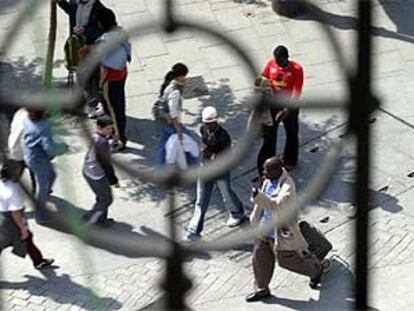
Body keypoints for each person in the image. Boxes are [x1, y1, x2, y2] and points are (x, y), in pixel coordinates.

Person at [245, 156, 321, 302]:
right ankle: (262, 289)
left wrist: (258, 196)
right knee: (259, 258)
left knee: (286, 261)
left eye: (267, 170)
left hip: (279, 232)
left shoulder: (288, 186)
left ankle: (315, 270)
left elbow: (276, 204)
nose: (263, 172)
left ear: (278, 170)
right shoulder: (268, 180)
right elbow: (261, 203)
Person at [183, 107, 246, 242]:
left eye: (210, 123)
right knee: (200, 201)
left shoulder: (224, 137)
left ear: (216, 121)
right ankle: (193, 232)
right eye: (206, 123)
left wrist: (209, 154)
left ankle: (237, 213)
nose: (208, 126)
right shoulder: (202, 129)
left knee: (227, 194)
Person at [257, 45, 304, 177]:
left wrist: (287, 110)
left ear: (287, 58)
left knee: (292, 133)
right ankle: (269, 163)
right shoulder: (271, 64)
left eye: (280, 60)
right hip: (274, 105)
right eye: (276, 60)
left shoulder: (297, 69)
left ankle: (290, 160)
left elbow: (297, 91)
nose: (278, 63)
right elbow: (263, 77)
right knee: (270, 135)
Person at [0, 160, 54, 269]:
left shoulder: (3, 183)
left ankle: (38, 261)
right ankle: (38, 261)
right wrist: (23, 228)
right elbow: (15, 213)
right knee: (15, 240)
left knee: (27, 240)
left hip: (3, 216)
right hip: (10, 222)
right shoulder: (13, 191)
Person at [95, 8, 131, 151]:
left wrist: (100, 84)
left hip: (111, 79)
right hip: (122, 73)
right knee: (119, 104)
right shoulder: (121, 33)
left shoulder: (104, 42)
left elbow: (104, 67)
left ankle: (119, 139)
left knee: (113, 109)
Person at [83, 115, 119, 225]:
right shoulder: (102, 142)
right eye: (107, 129)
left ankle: (101, 220)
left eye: (111, 128)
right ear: (99, 127)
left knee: (101, 197)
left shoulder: (95, 136)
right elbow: (106, 164)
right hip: (96, 174)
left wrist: (111, 145)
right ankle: (91, 218)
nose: (110, 131)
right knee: (106, 199)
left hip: (88, 170)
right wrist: (114, 181)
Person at [23, 110, 56, 224]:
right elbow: (49, 148)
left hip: (29, 154)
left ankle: (43, 197)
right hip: (39, 159)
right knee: (42, 186)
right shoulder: (44, 126)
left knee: (52, 176)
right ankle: (40, 215)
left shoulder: (27, 118)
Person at [156, 63, 193, 165]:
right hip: (170, 122)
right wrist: (179, 130)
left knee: (162, 145)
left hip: (162, 119)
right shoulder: (175, 92)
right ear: (181, 76)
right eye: (185, 76)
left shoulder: (171, 83)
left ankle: (160, 168)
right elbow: (173, 114)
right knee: (188, 140)